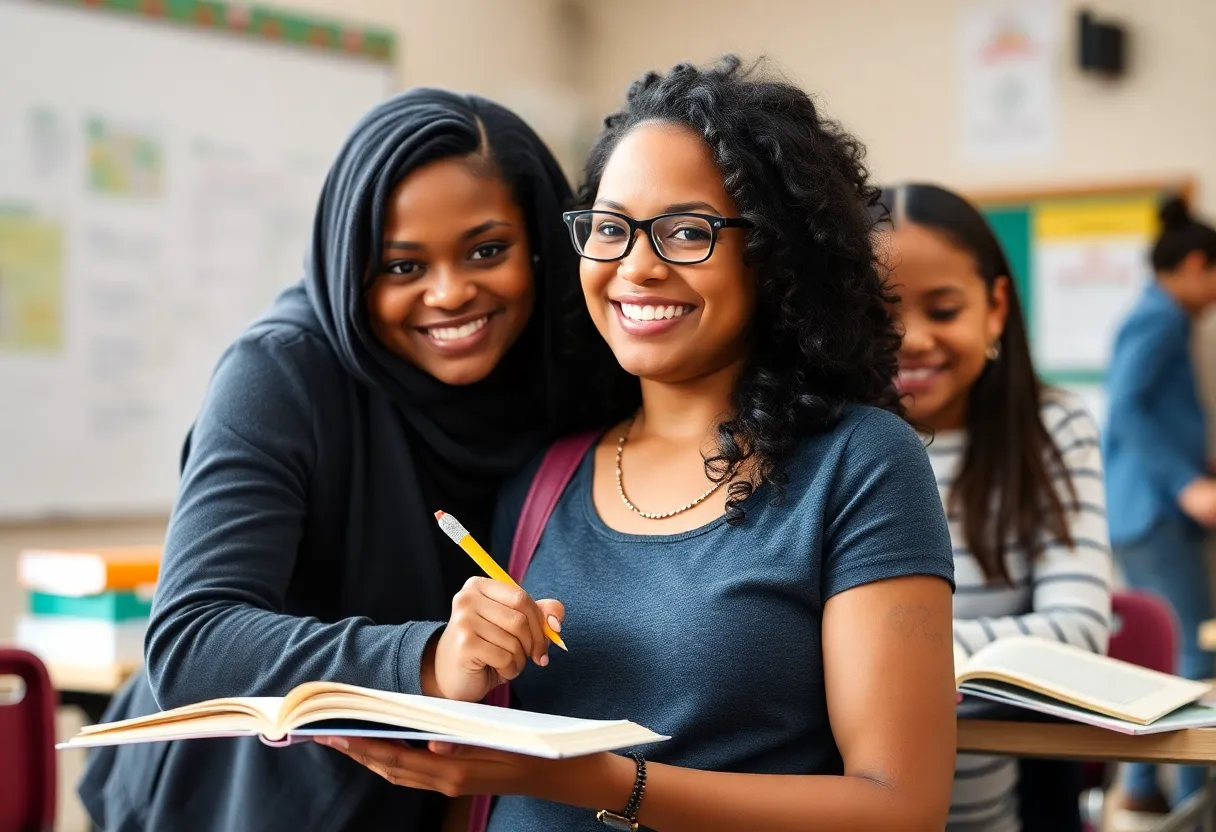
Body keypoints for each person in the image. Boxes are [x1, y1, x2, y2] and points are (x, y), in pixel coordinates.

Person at [318, 56, 959, 832]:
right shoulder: (546, 473)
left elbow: (900, 807)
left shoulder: (859, 464)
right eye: (612, 229)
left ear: (775, 254)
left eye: (687, 231)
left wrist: (604, 783)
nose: (638, 267)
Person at [77, 88, 628, 832]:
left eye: (487, 250)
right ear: (352, 268)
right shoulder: (281, 371)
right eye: (402, 267)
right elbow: (191, 642)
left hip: (457, 791)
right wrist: (431, 659)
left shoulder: (579, 366)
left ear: (539, 243)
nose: (451, 293)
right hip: (239, 797)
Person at [876, 182, 1113, 832]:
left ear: (996, 308)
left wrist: (868, 660)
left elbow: (1079, 630)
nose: (913, 339)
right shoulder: (824, 442)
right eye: (881, 313)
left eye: (944, 310)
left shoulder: (1049, 429)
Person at [1104, 197, 1216, 821]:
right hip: (1154, 511)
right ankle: (1195, 803)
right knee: (1193, 657)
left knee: (1166, 656)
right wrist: (1185, 485)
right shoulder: (1161, 318)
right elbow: (1128, 410)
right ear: (1197, 264)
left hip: (1145, 510)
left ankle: (1146, 787)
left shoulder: (1159, 315)